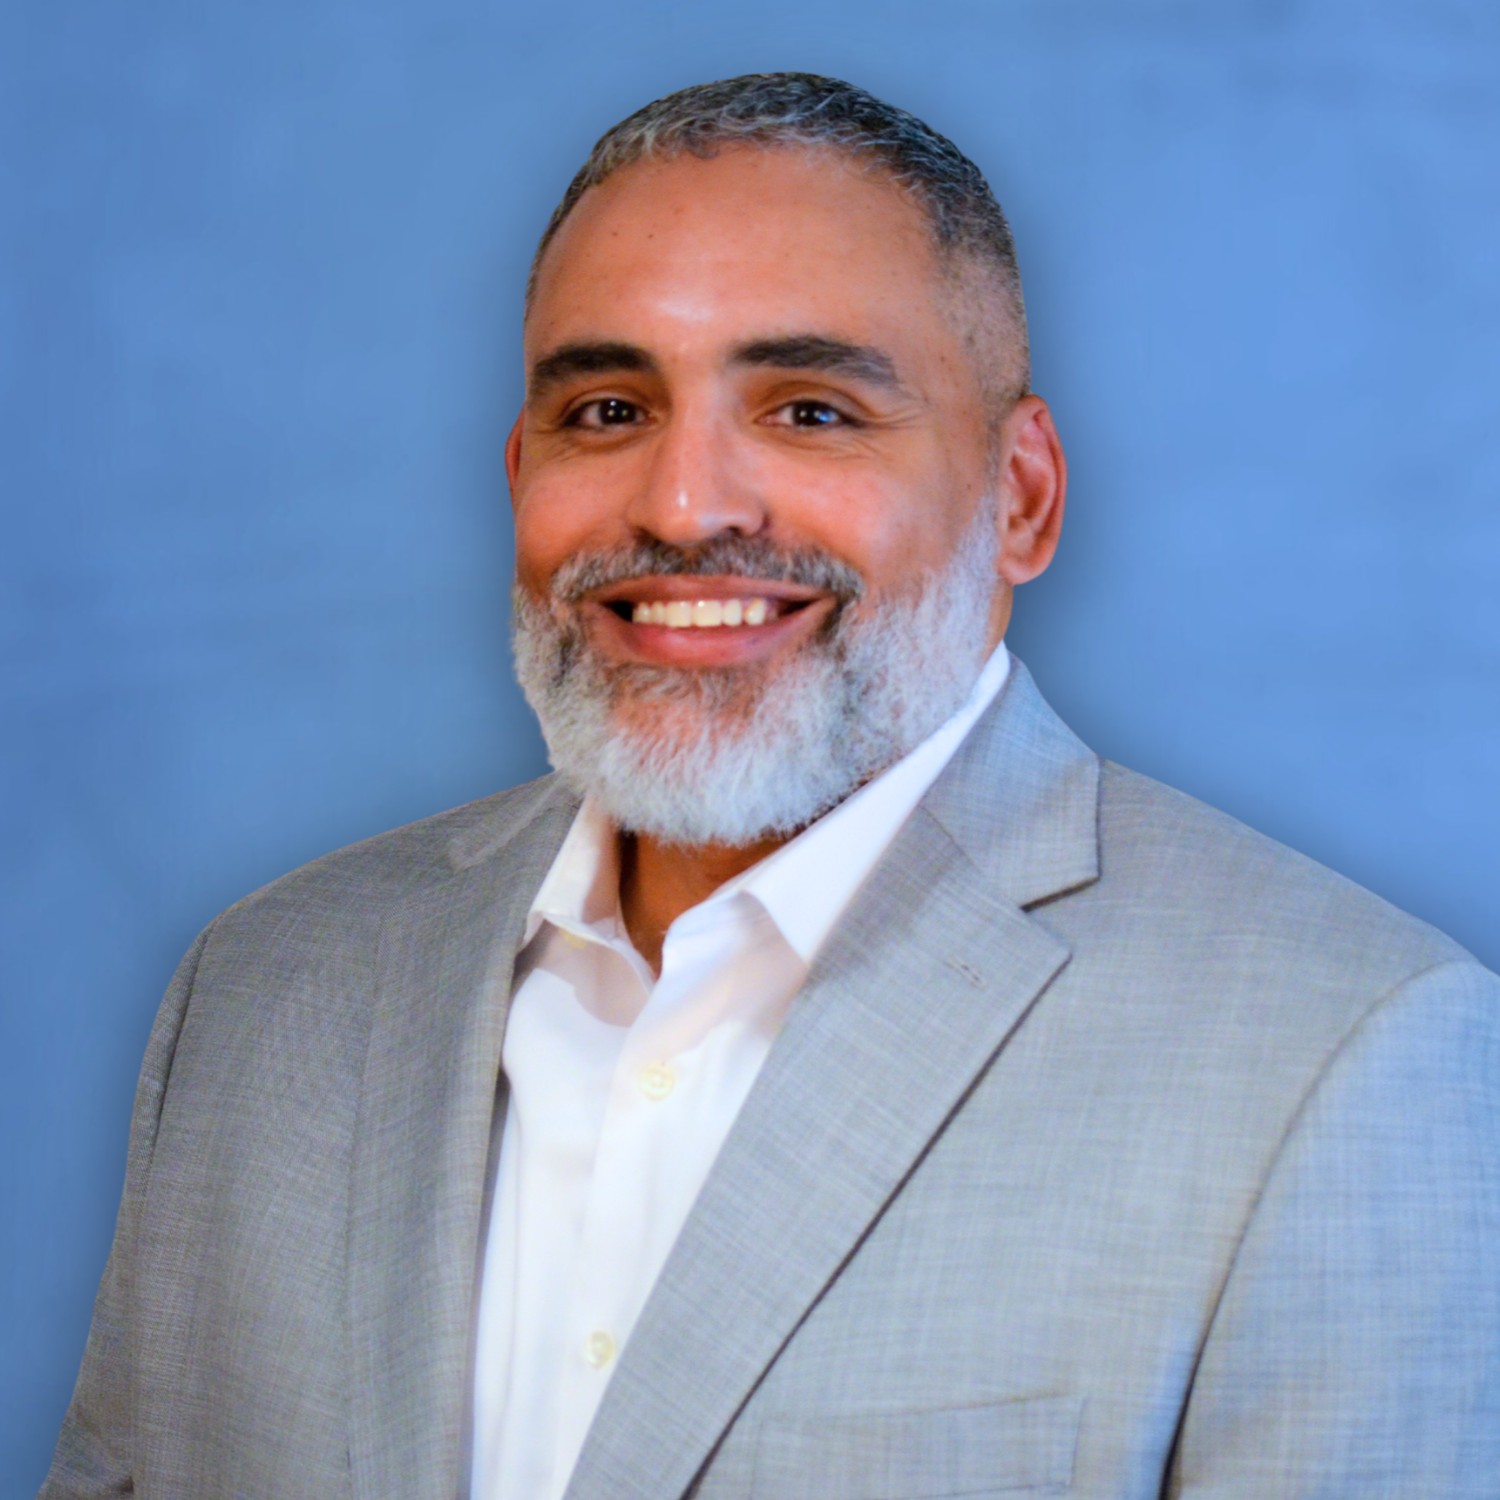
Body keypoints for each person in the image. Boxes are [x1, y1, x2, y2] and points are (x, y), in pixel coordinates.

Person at [43, 72, 1500, 1500]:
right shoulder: (261, 992)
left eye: (811, 412)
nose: (684, 508)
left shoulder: (1347, 1058)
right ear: (517, 475)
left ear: (1022, 497)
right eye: (607, 411)